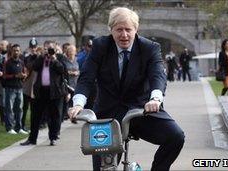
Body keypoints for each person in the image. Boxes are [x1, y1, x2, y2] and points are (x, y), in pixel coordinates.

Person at [68, 7, 185, 171]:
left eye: (128, 30)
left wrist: (155, 99)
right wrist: (78, 104)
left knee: (175, 137)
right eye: (119, 30)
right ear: (111, 30)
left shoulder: (149, 48)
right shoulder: (100, 46)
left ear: (136, 30)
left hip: (141, 110)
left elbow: (157, 75)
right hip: (107, 114)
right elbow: (86, 78)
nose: (124, 35)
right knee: (103, 167)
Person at [20, 41, 66, 146]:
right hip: (40, 91)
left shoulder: (59, 58)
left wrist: (54, 59)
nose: (48, 51)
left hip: (54, 92)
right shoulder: (41, 58)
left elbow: (62, 70)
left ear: (55, 49)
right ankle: (32, 139)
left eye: (50, 49)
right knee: (35, 116)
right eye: (46, 49)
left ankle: (53, 137)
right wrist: (41, 57)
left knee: (54, 116)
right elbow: (33, 67)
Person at [3, 44, 28, 134]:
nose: (16, 52)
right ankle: (10, 128)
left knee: (19, 109)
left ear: (20, 51)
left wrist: (24, 76)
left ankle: (19, 127)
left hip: (19, 88)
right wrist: (15, 76)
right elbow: (4, 76)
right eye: (14, 50)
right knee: (9, 109)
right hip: (10, 89)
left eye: (18, 50)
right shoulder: (7, 62)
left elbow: (24, 72)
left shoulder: (21, 62)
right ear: (11, 51)